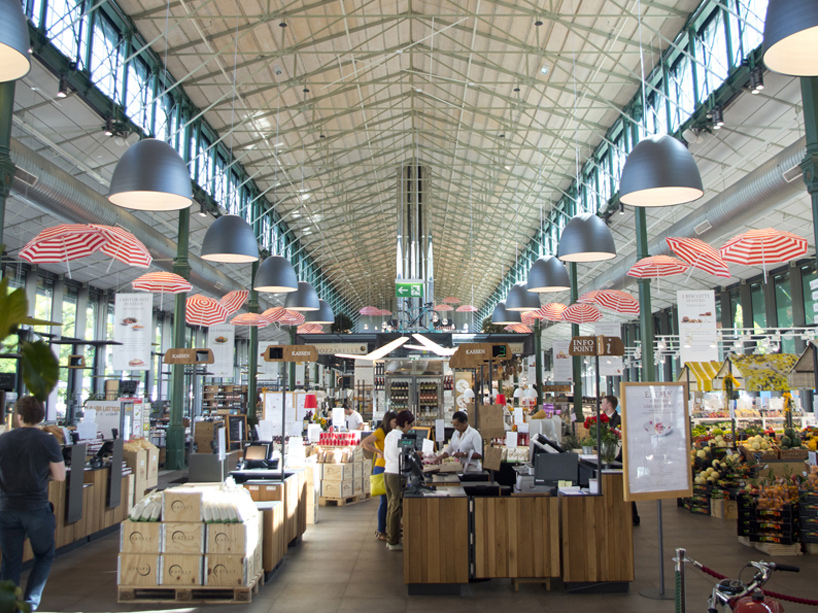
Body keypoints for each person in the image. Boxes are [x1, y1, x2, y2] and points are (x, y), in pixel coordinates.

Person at [0, 396, 66, 611]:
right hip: (36, 508)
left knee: (10, 562)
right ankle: (29, 603)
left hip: (7, 509)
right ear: (40, 417)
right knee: (44, 555)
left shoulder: (3, 440)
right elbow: (59, 476)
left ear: (18, 417)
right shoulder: (47, 440)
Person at [601, 394, 640, 526]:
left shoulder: (618, 420)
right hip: (607, 455)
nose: (601, 405)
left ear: (609, 405)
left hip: (618, 457)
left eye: (603, 403)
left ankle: (634, 516)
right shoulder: (602, 419)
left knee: (623, 484)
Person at [360, 410, 397, 542]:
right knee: (384, 500)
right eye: (394, 422)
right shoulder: (380, 432)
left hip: (389, 467)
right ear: (388, 421)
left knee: (389, 500)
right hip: (381, 467)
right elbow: (364, 443)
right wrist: (378, 451)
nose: (396, 424)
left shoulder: (391, 433)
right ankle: (381, 530)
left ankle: (387, 527)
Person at [383, 410, 415, 551]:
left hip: (387, 471)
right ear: (406, 423)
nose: (411, 429)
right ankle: (393, 541)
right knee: (396, 507)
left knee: (391, 507)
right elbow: (410, 450)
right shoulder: (401, 436)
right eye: (411, 425)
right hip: (396, 473)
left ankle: (390, 537)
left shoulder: (389, 435)